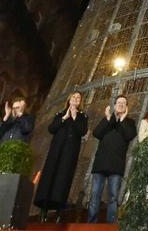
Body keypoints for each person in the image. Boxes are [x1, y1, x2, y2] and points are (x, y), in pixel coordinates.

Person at [35, 91, 89, 222]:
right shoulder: (60, 114)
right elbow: (51, 129)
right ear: (69, 99)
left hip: (70, 152)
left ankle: (59, 210)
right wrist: (64, 118)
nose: (76, 99)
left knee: (63, 178)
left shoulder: (83, 116)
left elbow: (82, 131)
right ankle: (44, 209)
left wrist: (75, 117)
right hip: (56, 150)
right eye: (74, 97)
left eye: (78, 98)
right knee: (50, 176)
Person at [89, 95, 136, 223]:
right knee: (94, 196)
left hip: (116, 165)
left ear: (126, 107)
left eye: (123, 103)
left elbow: (130, 136)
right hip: (100, 163)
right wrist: (108, 118)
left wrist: (122, 119)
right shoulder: (108, 120)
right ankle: (91, 224)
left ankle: (111, 225)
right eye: (118, 102)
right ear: (114, 105)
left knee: (113, 197)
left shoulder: (130, 122)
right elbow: (96, 134)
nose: (121, 104)